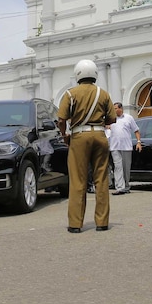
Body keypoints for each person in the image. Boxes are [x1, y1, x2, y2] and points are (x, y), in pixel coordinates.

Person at [57, 59, 116, 233]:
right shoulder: (103, 94)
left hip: (79, 136)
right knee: (101, 179)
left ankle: (76, 224)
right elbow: (112, 119)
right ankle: (102, 222)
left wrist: (64, 134)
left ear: (77, 74)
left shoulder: (70, 94)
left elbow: (61, 119)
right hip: (99, 135)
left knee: (78, 181)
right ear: (95, 74)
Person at [108, 102, 141, 195]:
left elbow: (136, 130)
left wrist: (138, 142)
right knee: (118, 167)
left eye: (115, 108)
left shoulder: (128, 118)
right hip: (114, 146)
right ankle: (119, 187)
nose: (114, 110)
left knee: (126, 168)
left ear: (121, 109)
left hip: (126, 147)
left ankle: (126, 186)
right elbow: (105, 128)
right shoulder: (111, 119)